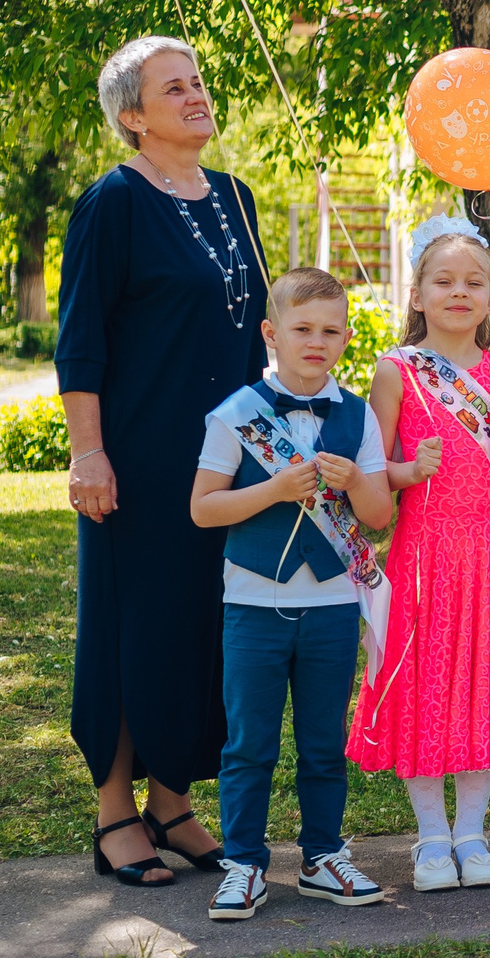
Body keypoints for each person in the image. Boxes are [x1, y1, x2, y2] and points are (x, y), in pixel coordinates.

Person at [58, 35, 267, 888]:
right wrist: (89, 453)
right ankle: (115, 810)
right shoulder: (112, 203)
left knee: (201, 625)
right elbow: (81, 344)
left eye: (199, 82)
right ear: (133, 116)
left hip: (228, 462)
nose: (196, 96)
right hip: (139, 460)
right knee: (128, 625)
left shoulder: (238, 197)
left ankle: (172, 803)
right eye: (173, 88)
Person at [189, 267, 394, 921]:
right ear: (271, 333)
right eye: (302, 328)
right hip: (253, 602)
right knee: (249, 740)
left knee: (322, 740)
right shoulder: (236, 414)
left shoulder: (358, 416)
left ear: (346, 337)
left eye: (330, 330)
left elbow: (378, 514)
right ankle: (243, 863)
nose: (317, 340)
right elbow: (203, 508)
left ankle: (322, 855)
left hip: (333, 603)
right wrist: (275, 489)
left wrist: (358, 479)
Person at [347, 218, 490, 892]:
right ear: (418, 294)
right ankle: (431, 837)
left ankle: (473, 833)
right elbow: (374, 472)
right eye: (444, 280)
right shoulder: (395, 369)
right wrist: (407, 469)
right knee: (424, 683)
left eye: (474, 281)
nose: (459, 292)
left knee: (480, 684)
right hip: (423, 551)